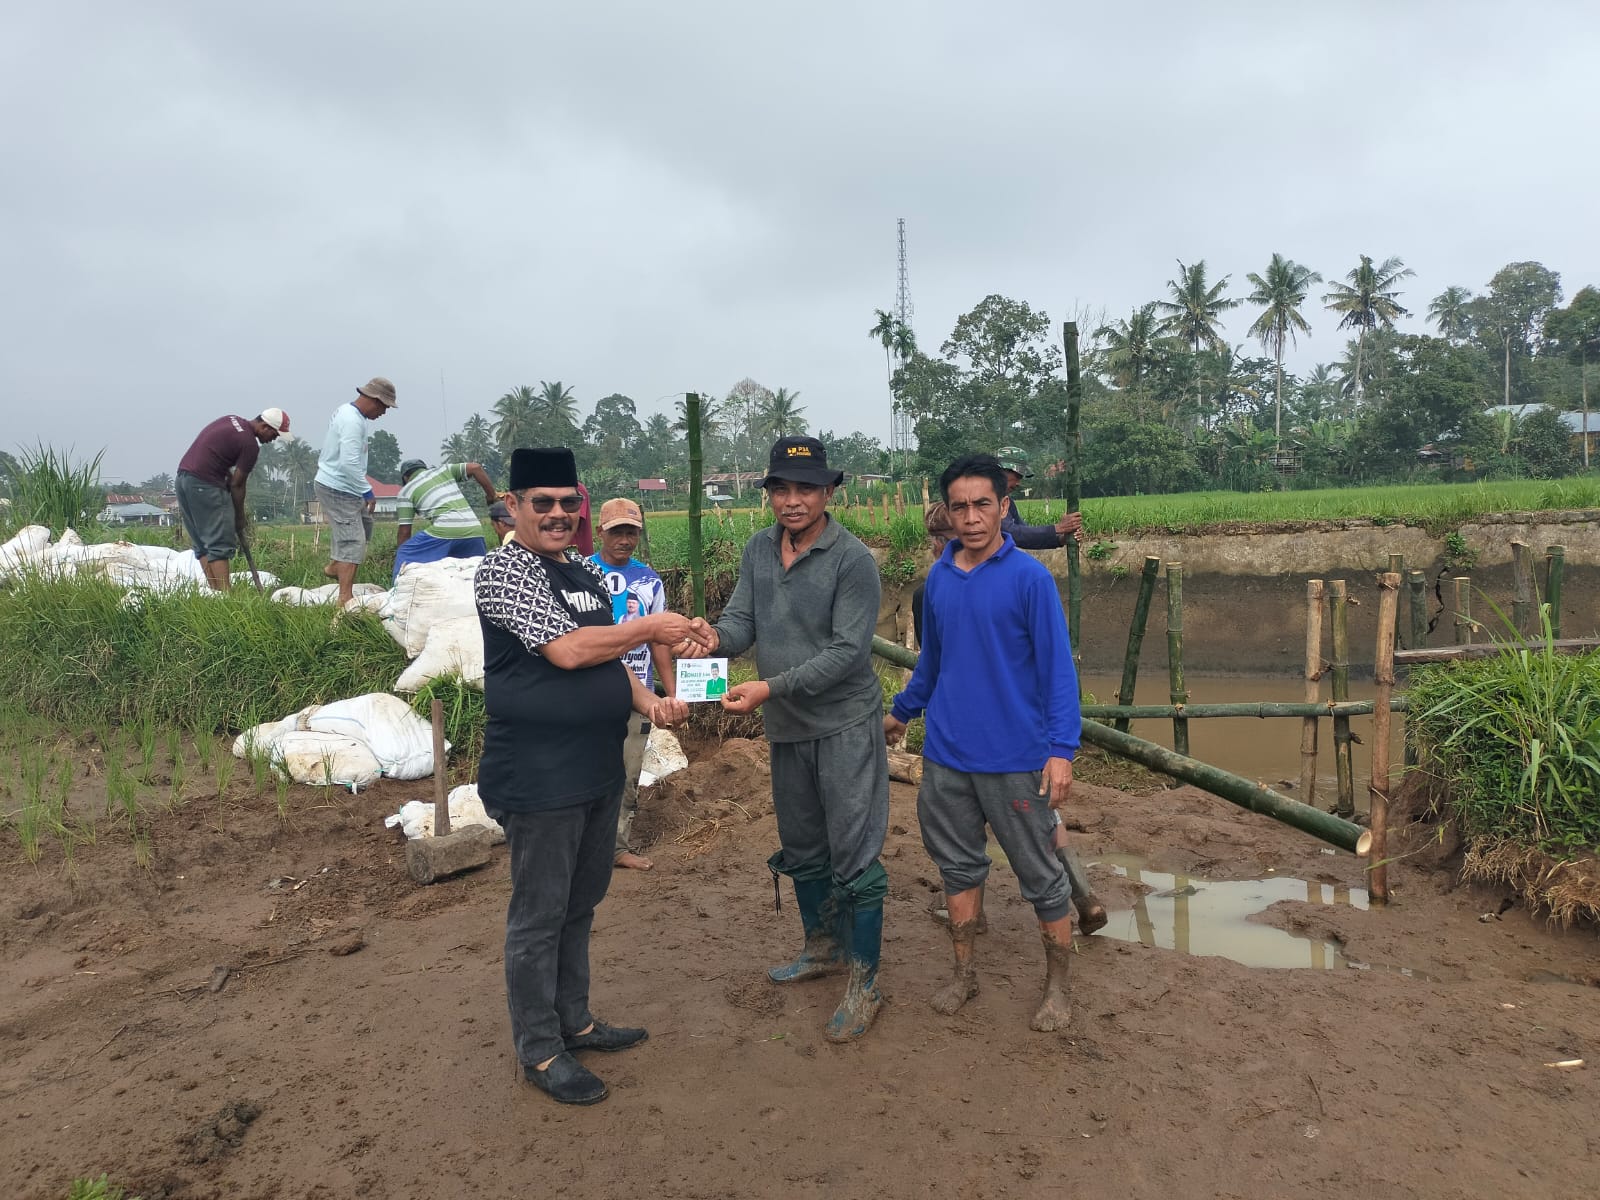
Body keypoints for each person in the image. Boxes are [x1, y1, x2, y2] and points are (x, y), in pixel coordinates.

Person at [474, 447, 704, 1106]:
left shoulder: (580, 571)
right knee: (539, 915)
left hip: (597, 770)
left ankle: (574, 1019)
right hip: (540, 775)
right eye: (540, 503)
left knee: (580, 904)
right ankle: (540, 1048)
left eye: (565, 504)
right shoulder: (504, 572)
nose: (555, 515)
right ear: (513, 506)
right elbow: (570, 651)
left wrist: (653, 702)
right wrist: (652, 624)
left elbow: (611, 662)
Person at [681, 435, 890, 1043]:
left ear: (829, 493)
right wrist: (711, 640)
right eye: (782, 489)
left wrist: (769, 688)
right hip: (789, 727)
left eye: (806, 489)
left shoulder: (852, 560)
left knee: (854, 849)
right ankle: (821, 947)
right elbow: (742, 622)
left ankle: (865, 981)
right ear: (769, 494)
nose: (793, 501)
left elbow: (849, 655)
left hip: (844, 723)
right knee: (801, 843)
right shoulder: (758, 550)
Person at [884, 453, 1081, 1033]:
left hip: (1016, 759)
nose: (971, 517)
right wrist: (900, 713)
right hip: (946, 757)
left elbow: (1057, 673)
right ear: (948, 510)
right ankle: (964, 972)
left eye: (983, 505)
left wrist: (1061, 750)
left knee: (1042, 876)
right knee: (958, 870)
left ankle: (1058, 987)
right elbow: (932, 664)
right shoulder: (940, 580)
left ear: (1002, 507)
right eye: (960, 506)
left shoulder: (1030, 579)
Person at [914, 501, 1105, 935]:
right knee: (1042, 819)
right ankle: (1084, 895)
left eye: (937, 541)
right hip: (1026, 727)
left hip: (982, 730)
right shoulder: (1018, 577)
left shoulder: (940, 587)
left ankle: (972, 913)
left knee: (973, 829)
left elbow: (938, 662)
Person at [589, 497, 674, 872]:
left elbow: (659, 640)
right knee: (583, 768)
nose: (624, 539)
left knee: (627, 770)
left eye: (631, 532)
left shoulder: (649, 580)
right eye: (616, 532)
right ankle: (579, 845)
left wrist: (670, 693)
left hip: (637, 691)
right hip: (587, 690)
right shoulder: (581, 574)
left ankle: (616, 847)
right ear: (599, 533)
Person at [175, 409, 291, 591]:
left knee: (202, 543)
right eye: (274, 434)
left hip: (183, 480)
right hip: (205, 485)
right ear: (264, 426)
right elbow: (238, 484)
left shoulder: (231, 420)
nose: (273, 439)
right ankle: (227, 598)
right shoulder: (250, 445)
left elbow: (214, 456)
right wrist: (239, 516)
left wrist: (226, 476)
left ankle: (215, 594)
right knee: (218, 542)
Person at [314, 377, 396, 606]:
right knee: (354, 540)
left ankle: (334, 565)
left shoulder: (350, 413)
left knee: (365, 526)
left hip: (345, 487)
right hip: (337, 487)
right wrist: (367, 491)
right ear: (375, 400)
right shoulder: (352, 421)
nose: (384, 413)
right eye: (384, 407)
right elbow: (348, 462)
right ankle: (344, 597)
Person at [393, 458, 499, 578]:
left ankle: (397, 589)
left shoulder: (406, 491)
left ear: (405, 478)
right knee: (478, 573)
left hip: (445, 530)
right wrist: (491, 496)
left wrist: (402, 554)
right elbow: (476, 468)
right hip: (474, 529)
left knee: (405, 552)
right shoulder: (443, 470)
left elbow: (404, 532)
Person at [994, 447, 1082, 550]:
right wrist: (1058, 528)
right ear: (999, 471)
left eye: (1021, 477)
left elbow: (1025, 535)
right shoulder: (985, 500)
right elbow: (1010, 532)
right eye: (1017, 476)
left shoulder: (1007, 502)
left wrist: (1061, 539)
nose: (1018, 483)